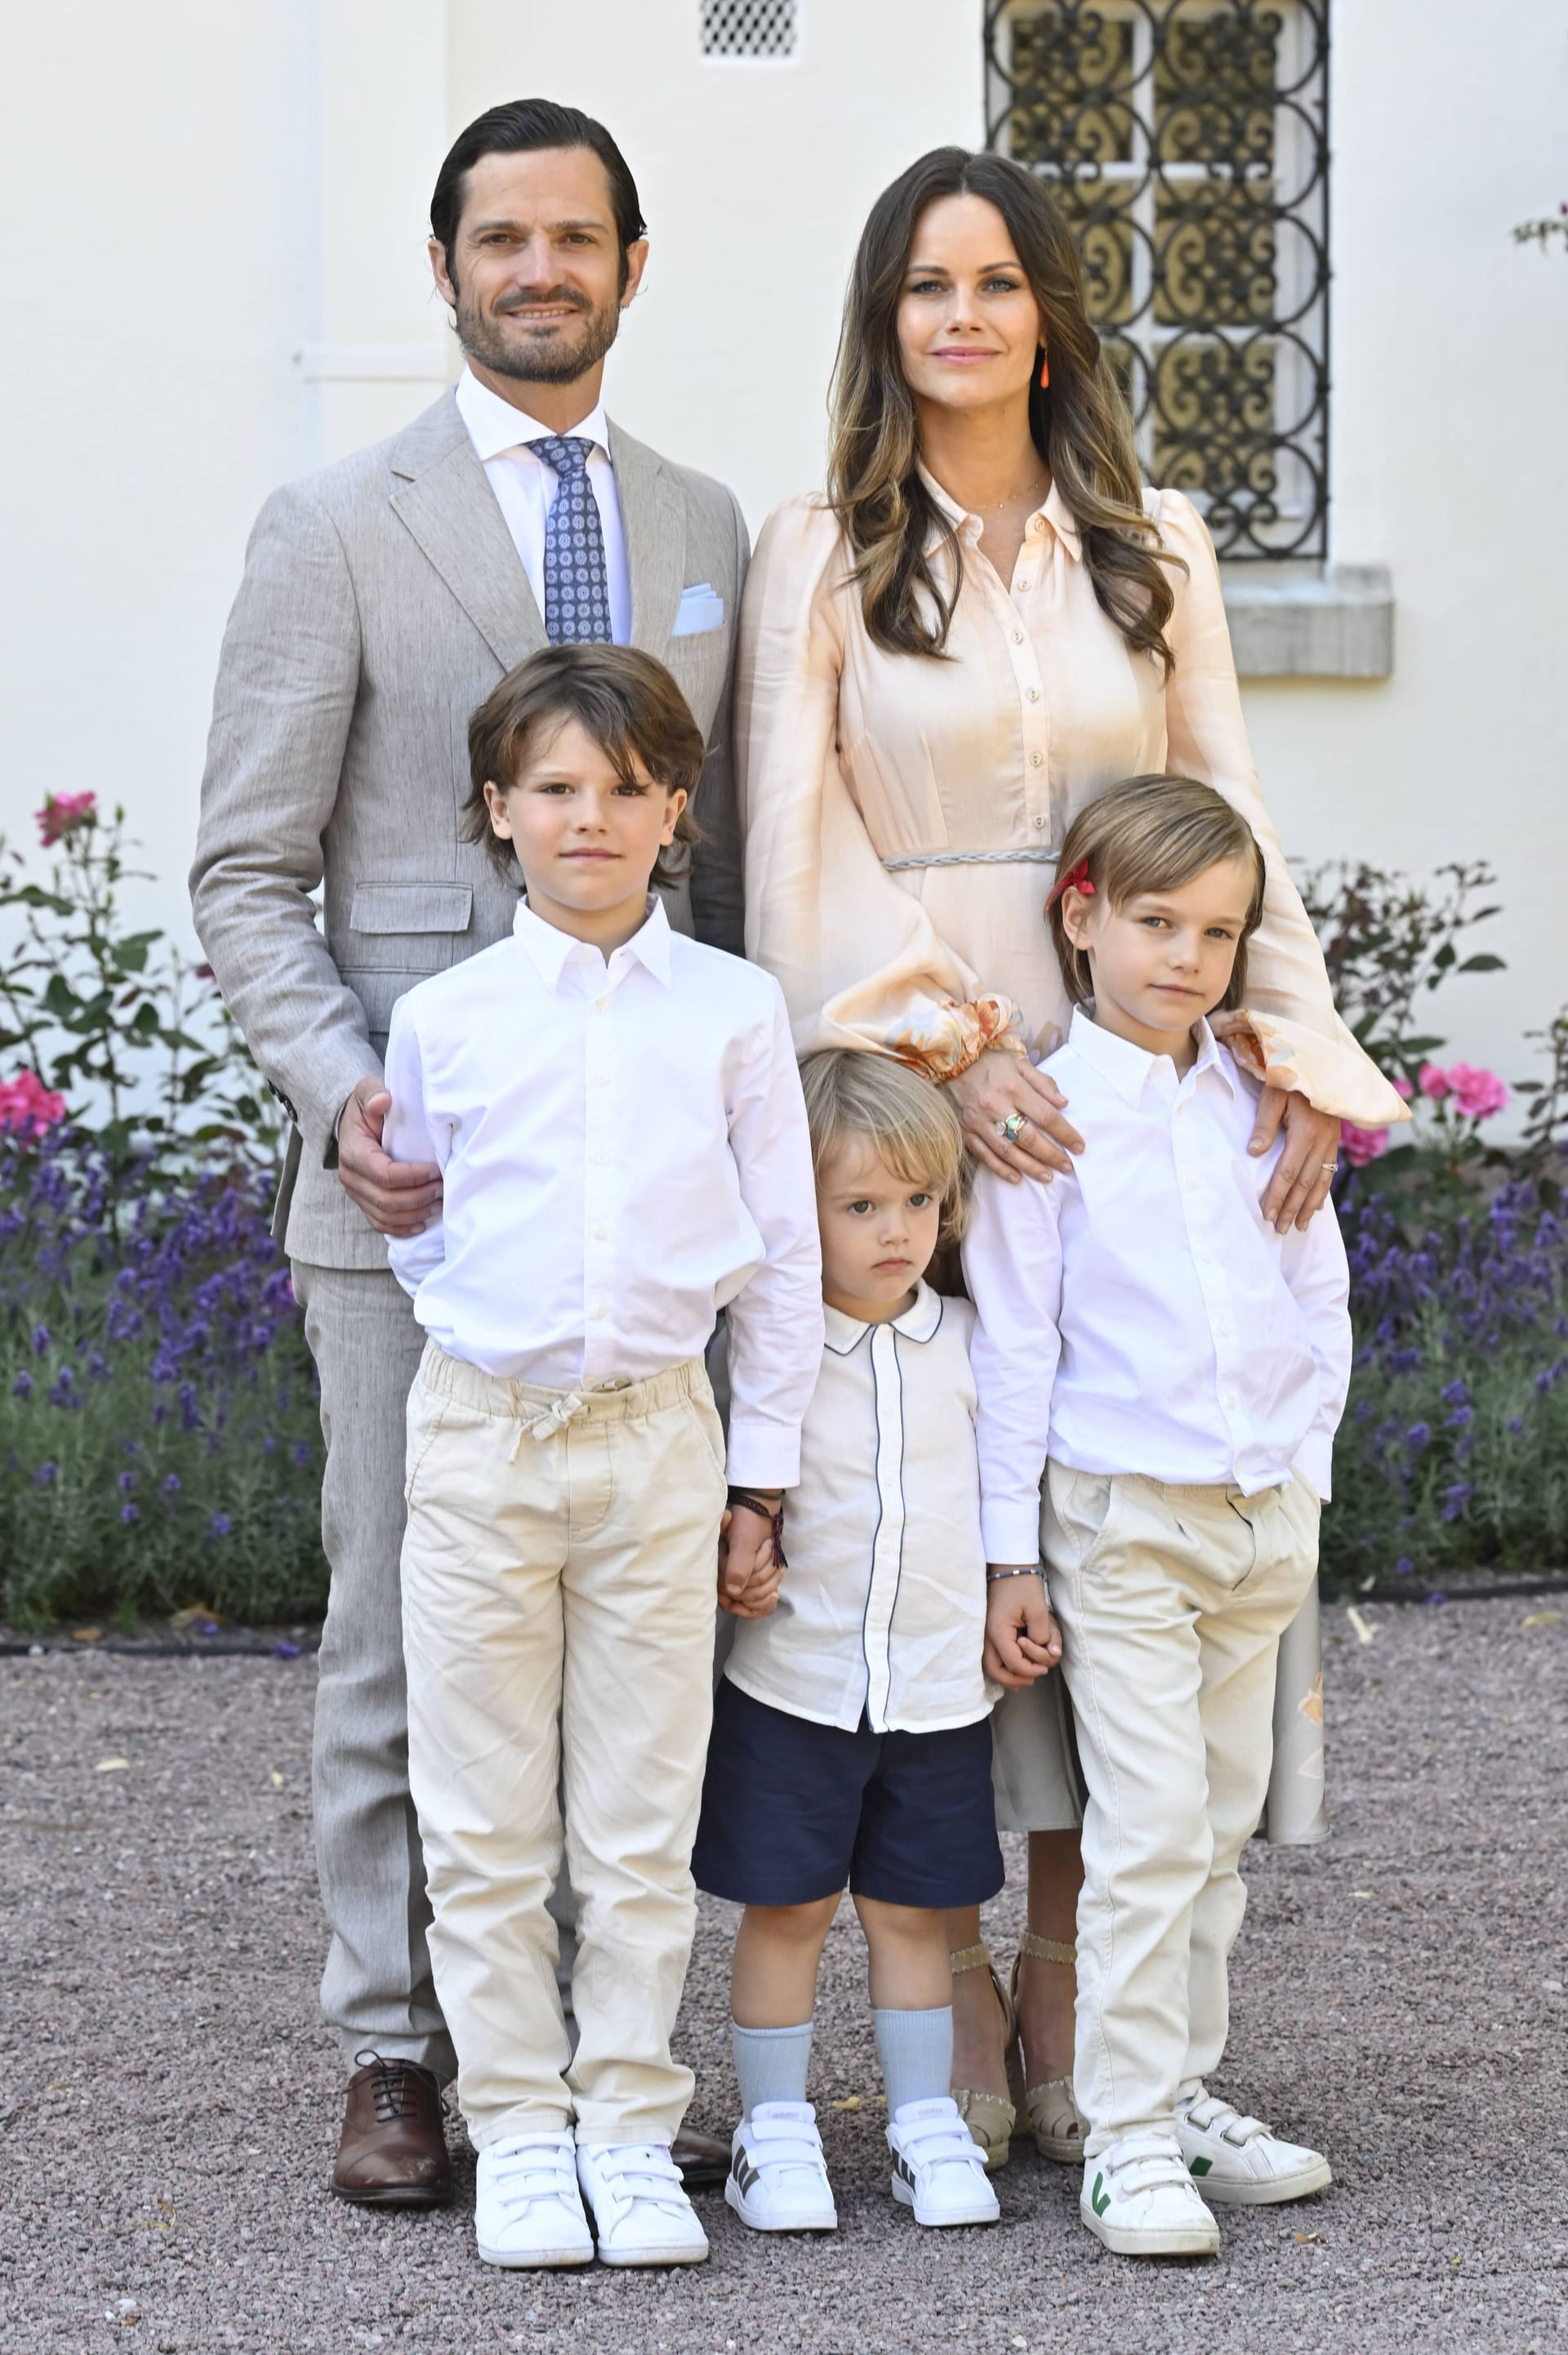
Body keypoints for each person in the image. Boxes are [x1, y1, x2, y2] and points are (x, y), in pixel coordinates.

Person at [735, 143, 1408, 2165]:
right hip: (943, 1103)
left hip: (1152, 1069)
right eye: (926, 284)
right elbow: (797, 850)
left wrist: (1285, 1043)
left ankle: (1104, 2052)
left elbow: (1227, 803)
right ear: (887, 319)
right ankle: (968, 2050)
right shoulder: (826, 550)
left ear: (1049, 311)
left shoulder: (1156, 540)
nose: (963, 315)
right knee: (990, 1533)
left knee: (1139, 1497)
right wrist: (964, 1049)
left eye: (998, 280)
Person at [190, 98, 750, 2201]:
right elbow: (248, 868)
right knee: (397, 1625)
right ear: (446, 269)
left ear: (628, 260)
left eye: (576, 235)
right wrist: (348, 1091)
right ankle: (400, 2047)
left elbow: (734, 860)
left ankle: (614, 2064)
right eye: (500, 238)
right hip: (410, 1190)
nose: (540, 268)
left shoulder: (704, 520)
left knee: (634, 1630)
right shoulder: (332, 520)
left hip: (641, 1199)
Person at [381, 643, 822, 2269]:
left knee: (639, 1807)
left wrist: (757, 1474)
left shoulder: (730, 1008)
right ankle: (515, 2122)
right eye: (556, 788)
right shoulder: (445, 1016)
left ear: (675, 808)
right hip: (485, 1440)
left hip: (658, 1442)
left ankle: (630, 2116)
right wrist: (500, 1351)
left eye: (626, 788)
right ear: (499, 810)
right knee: (485, 1808)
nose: (591, 818)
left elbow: (781, 1252)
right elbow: (423, 1230)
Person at [965, 774, 1349, 2257]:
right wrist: (1012, 1555)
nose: (1186, 957)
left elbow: (1319, 1299)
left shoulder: (1264, 1100)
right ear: (1081, 918)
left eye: (1217, 933)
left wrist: (1300, 1470)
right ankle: (1122, 2140)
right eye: (1154, 923)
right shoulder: (1048, 1120)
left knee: (1218, 1837)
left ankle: (1177, 2092)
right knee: (1146, 1828)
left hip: (1260, 1521)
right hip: (1122, 1522)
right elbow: (1014, 1344)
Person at [692, 1050, 1010, 2234]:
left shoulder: (974, 1346)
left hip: (936, 1691)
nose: (897, 1232)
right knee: (786, 1910)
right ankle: (773, 2131)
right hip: (796, 1685)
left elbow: (1004, 1498)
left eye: (918, 1203)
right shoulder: (760, 1357)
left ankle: (923, 2120)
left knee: (914, 1916)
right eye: (860, 1206)